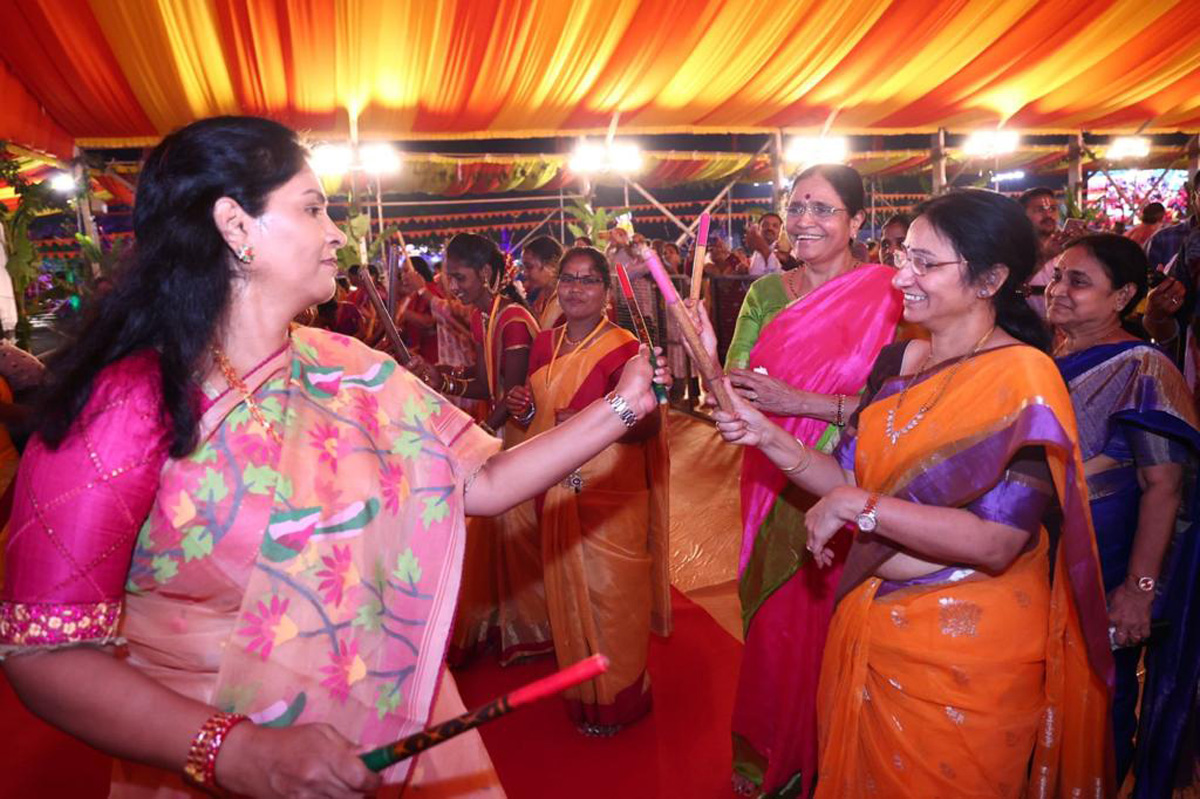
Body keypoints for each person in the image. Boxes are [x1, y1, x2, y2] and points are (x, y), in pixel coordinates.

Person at [0, 116, 668, 799]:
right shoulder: (122, 406)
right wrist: (235, 749)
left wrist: (623, 406)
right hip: (207, 762)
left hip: (385, 736)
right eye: (313, 208)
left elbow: (485, 479)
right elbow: (43, 656)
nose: (337, 233)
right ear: (235, 225)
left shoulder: (351, 368)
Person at [703, 188, 1112, 796]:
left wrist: (860, 507)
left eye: (924, 263)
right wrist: (764, 434)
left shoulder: (1023, 378)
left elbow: (998, 540)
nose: (900, 278)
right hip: (873, 626)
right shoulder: (899, 364)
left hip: (968, 655)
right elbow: (843, 477)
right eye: (901, 256)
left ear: (990, 278)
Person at [715, 163, 903, 798]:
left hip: (856, 471)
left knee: (845, 618)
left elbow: (902, 406)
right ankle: (773, 756)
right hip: (769, 476)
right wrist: (716, 376)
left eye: (823, 209)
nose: (804, 221)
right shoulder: (765, 294)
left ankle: (841, 754)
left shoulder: (891, 294)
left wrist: (805, 401)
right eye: (796, 207)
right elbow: (737, 385)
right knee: (774, 621)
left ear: (855, 222)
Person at [1047, 233, 1200, 795]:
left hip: (1101, 558)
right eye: (1058, 276)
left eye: (1078, 281)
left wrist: (1138, 588)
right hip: (1037, 555)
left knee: (1098, 697)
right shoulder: (1044, 355)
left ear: (1124, 295)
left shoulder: (1141, 366)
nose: (1058, 291)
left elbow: (1162, 485)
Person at [504, 246, 670, 735]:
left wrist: (602, 420)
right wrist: (522, 409)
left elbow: (649, 424)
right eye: (569, 280)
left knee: (613, 600)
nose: (576, 289)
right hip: (559, 492)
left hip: (609, 494)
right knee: (567, 598)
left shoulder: (625, 348)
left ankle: (620, 698)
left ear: (605, 290)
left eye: (588, 281)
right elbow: (536, 419)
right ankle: (583, 698)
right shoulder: (544, 343)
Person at [424, 234, 549, 667]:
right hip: (498, 433)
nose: (452, 286)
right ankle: (502, 624)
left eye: (459, 277)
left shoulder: (513, 319)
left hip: (520, 433)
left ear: (488, 275)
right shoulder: (483, 317)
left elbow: (511, 394)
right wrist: (442, 379)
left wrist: (477, 434)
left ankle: (536, 628)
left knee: (514, 530)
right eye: (447, 277)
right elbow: (483, 384)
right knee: (492, 532)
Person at [522, 235, 565, 330]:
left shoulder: (566, 303)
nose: (525, 274)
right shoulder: (540, 297)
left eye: (529, 267)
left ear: (551, 265)